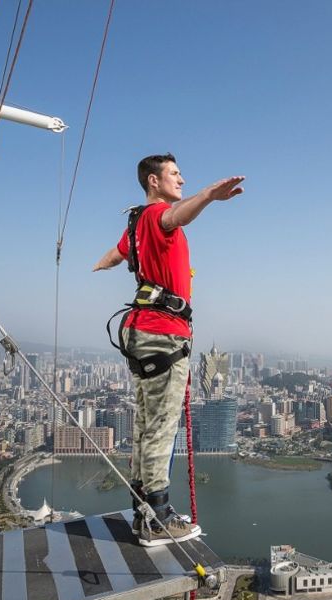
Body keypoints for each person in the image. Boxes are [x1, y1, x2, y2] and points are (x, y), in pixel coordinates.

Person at [93, 153, 243, 546]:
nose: (181, 178)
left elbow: (115, 255)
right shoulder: (157, 217)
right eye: (174, 174)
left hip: (141, 330)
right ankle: (157, 517)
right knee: (161, 426)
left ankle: (142, 506)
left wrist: (99, 266)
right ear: (153, 181)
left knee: (145, 422)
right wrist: (209, 195)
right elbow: (176, 217)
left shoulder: (135, 225)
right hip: (163, 332)